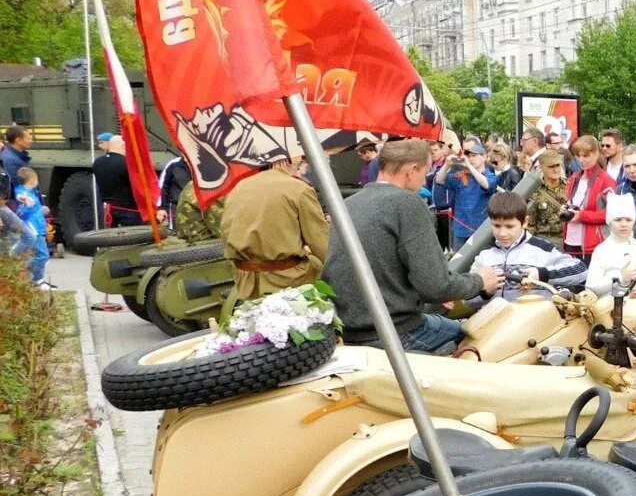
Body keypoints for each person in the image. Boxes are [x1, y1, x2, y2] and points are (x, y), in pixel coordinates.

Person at [322, 138, 504, 353]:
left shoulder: (349, 203)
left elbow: (381, 267)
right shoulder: (407, 203)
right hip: (395, 331)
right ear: (412, 169)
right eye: (424, 172)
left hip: (350, 329)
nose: (423, 182)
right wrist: (480, 281)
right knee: (477, 335)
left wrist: (432, 292)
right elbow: (435, 286)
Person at [218, 157, 330, 304]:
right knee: (325, 268)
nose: (304, 166)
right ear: (289, 161)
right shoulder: (299, 189)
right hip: (286, 279)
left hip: (245, 280)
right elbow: (322, 245)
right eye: (302, 161)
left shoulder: (240, 187)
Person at [471, 191, 585, 300]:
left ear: (525, 222)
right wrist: (485, 293)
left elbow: (580, 270)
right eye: (496, 226)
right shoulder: (484, 255)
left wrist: (542, 274)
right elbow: (468, 300)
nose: (502, 233)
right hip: (497, 318)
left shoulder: (543, 250)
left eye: (509, 226)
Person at [585, 193, 636, 299]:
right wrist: (620, 277)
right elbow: (591, 287)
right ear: (610, 222)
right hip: (611, 310)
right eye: (618, 220)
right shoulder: (601, 250)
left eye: (628, 220)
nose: (623, 224)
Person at [561, 136, 617, 259]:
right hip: (570, 240)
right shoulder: (574, 178)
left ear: (596, 154)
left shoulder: (606, 181)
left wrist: (581, 216)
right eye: (578, 155)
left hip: (593, 246)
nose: (581, 160)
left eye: (585, 156)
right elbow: (571, 204)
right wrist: (565, 209)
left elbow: (611, 215)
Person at [12, 168, 51, 287]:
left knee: (41, 255)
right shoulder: (23, 194)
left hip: (38, 226)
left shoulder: (30, 192)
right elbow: (22, 210)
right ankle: (25, 272)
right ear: (32, 180)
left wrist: (41, 210)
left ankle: (37, 280)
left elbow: (35, 210)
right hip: (33, 227)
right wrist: (28, 205)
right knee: (43, 255)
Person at [92, 133, 138, 226]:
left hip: (109, 208)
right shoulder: (126, 163)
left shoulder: (97, 162)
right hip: (128, 208)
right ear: (122, 146)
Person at [527, 150, 568, 243]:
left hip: (569, 240)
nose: (556, 169)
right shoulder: (535, 191)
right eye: (551, 166)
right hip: (545, 240)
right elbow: (530, 225)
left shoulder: (571, 186)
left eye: (558, 165)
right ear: (541, 167)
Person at [1, 125, 32, 194]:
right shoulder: (10, 161)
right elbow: (15, 189)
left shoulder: (12, 157)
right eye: (28, 138)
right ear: (18, 140)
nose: (31, 141)